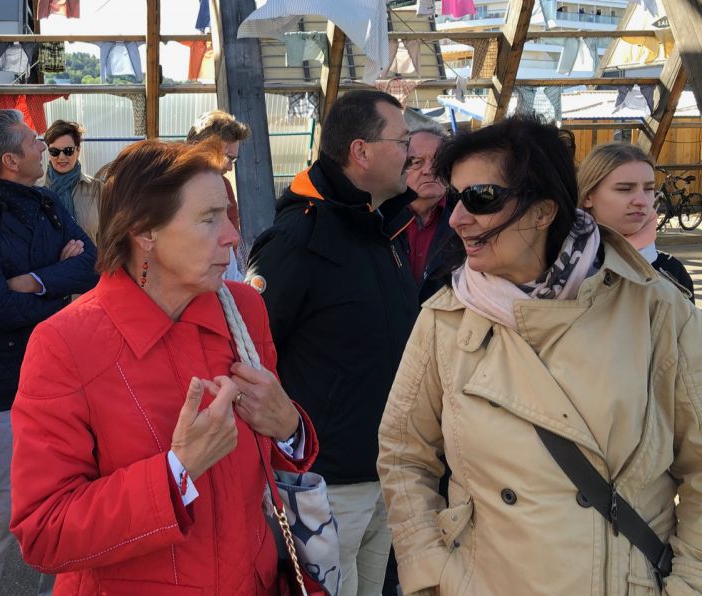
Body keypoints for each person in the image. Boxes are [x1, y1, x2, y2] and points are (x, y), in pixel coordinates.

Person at [377, 115, 702, 595]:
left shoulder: (656, 308)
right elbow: (404, 452)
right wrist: (432, 573)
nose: (457, 218)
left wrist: (688, 584)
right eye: (455, 197)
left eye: (480, 198)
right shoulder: (446, 318)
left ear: (543, 210)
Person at [9, 139, 318, 594]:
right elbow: (43, 532)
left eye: (228, 215)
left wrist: (290, 428)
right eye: (209, 218)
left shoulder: (244, 310)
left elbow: (272, 460)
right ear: (144, 232)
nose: (232, 235)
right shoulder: (65, 343)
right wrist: (178, 470)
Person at [247, 89, 419, 596]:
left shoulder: (383, 228)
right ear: (360, 151)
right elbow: (254, 353)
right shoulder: (297, 238)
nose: (411, 154)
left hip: (385, 470)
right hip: (327, 482)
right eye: (402, 141)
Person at [0, 110, 99, 596]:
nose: (43, 147)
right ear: (10, 161)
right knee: (3, 505)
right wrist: (59, 284)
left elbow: (91, 266)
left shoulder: (47, 202)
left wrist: (31, 281)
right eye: (34, 141)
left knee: (66, 496)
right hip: (3, 382)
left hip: (62, 374)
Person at [578, 142, 694, 300]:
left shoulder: (672, 271)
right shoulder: (560, 268)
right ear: (587, 197)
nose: (642, 201)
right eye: (624, 189)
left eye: (649, 189)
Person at [186, 110, 250, 279]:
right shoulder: (168, 189)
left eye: (234, 160)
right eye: (228, 157)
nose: (230, 167)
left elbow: (232, 259)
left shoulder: (224, 187)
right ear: (199, 148)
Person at [401, 123, 453, 303]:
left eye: (438, 162)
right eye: (417, 162)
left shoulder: (468, 218)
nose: (429, 170)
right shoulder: (379, 217)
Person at [42, 119, 102, 241]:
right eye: (55, 151)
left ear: (78, 151)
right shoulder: (35, 188)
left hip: (88, 253)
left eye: (68, 151)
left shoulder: (97, 189)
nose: (61, 157)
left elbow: (108, 235)